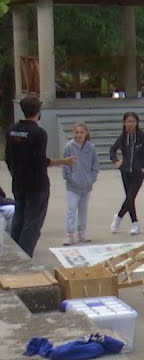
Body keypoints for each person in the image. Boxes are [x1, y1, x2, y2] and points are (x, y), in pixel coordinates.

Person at [5, 96, 74, 255]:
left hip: (18, 182)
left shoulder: (11, 130)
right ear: (38, 111)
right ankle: (24, 256)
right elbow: (40, 160)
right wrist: (63, 161)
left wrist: (15, 173)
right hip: (37, 184)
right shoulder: (38, 133)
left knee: (19, 218)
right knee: (33, 222)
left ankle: (15, 254)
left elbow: (8, 157)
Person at [108, 111, 144, 235]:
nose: (130, 124)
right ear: (124, 123)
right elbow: (112, 150)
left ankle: (118, 218)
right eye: (128, 121)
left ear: (137, 123)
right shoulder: (123, 137)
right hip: (125, 171)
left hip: (138, 172)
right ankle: (135, 224)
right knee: (130, 199)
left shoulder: (143, 137)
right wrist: (116, 161)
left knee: (131, 196)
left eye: (133, 121)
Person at [62, 122, 99, 245]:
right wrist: (70, 178)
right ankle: (69, 233)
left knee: (83, 209)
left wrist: (91, 179)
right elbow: (65, 165)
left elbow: (95, 164)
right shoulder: (69, 147)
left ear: (86, 133)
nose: (79, 135)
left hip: (86, 185)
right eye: (77, 132)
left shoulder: (91, 148)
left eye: (82, 132)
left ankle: (82, 231)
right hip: (72, 186)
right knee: (71, 208)